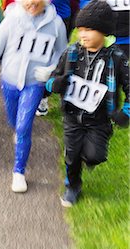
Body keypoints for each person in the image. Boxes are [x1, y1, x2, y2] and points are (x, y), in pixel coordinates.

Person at [46, 0, 129, 206]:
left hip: (99, 120)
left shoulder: (117, 57)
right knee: (72, 156)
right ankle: (72, 186)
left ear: (104, 31)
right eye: (80, 29)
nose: (83, 34)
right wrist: (55, 84)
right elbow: (51, 79)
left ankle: (87, 155)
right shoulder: (71, 53)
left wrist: (125, 112)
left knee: (95, 155)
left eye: (89, 29)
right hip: (73, 116)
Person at [0, 0, 67, 193]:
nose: (32, 3)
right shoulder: (11, 20)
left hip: (34, 84)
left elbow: (61, 53)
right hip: (9, 82)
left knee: (24, 126)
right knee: (14, 120)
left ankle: (19, 171)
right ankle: (19, 133)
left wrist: (51, 69)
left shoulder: (56, 24)